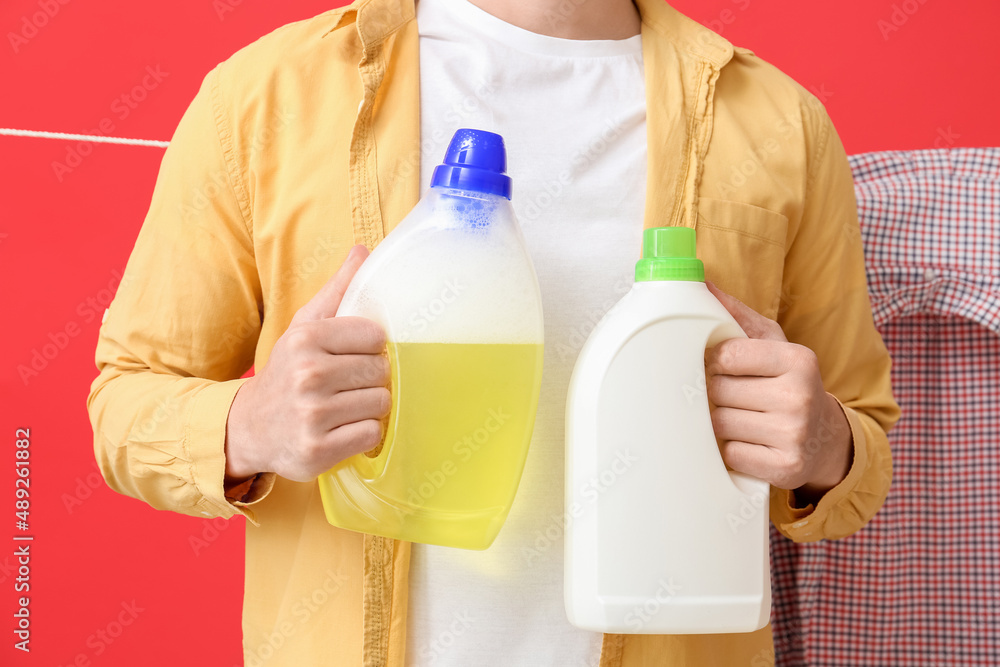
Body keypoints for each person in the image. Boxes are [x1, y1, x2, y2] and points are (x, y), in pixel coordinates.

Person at [86, 0, 899, 664]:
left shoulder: (783, 125)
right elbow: (124, 402)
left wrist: (825, 444)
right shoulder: (265, 99)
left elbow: (861, 442)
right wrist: (249, 425)